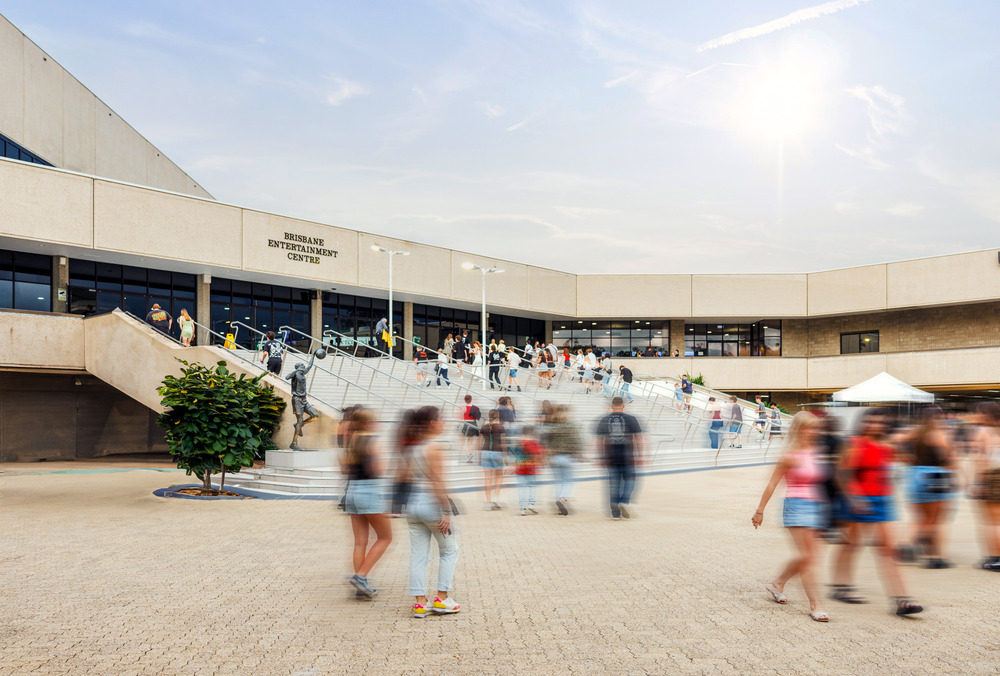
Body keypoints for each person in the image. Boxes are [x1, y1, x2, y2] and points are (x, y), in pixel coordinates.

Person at [829, 408, 923, 616]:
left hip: (883, 500)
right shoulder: (854, 443)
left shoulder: (888, 445)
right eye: (871, 421)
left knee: (889, 550)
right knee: (851, 545)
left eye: (880, 422)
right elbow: (842, 474)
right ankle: (841, 586)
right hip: (858, 499)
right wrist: (855, 497)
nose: (876, 425)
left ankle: (902, 599)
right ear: (863, 422)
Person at [751, 412, 830, 622]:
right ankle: (815, 605)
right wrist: (760, 510)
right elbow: (772, 484)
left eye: (816, 427)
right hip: (796, 506)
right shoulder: (789, 455)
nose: (815, 431)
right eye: (810, 428)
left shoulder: (816, 452)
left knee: (810, 556)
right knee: (808, 557)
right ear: (800, 430)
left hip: (816, 506)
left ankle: (778, 582)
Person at [406, 406, 461, 618]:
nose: (444, 423)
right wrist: (446, 511)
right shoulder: (434, 447)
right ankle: (442, 597)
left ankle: (420, 602)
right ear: (432, 423)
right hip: (431, 505)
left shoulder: (415, 447)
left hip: (413, 504)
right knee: (449, 550)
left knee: (418, 555)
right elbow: (438, 481)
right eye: (441, 419)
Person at [341, 408, 392, 599]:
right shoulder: (374, 440)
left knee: (360, 542)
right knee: (385, 537)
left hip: (352, 491)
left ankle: (360, 587)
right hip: (369, 490)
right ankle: (361, 576)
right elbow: (378, 468)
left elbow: (344, 469)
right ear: (369, 423)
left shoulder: (351, 441)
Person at [898, 406, 957, 568]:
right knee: (936, 520)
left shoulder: (915, 432)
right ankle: (934, 556)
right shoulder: (939, 434)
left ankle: (910, 545)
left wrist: (907, 457)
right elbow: (948, 457)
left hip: (916, 474)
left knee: (923, 519)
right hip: (936, 475)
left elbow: (898, 441)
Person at [595, 397, 644, 520]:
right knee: (630, 480)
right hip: (628, 457)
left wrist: (601, 457)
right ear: (623, 406)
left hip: (611, 457)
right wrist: (640, 455)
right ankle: (624, 501)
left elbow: (599, 441)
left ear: (612, 406)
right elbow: (638, 438)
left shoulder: (604, 419)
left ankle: (615, 513)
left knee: (613, 484)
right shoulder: (631, 419)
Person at [970, 401, 1000, 571]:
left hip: (991, 476)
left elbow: (981, 460)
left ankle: (995, 558)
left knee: (992, 522)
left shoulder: (983, 432)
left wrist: (977, 482)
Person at [542, 405, 582, 515]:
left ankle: (559, 508)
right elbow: (578, 441)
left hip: (555, 458)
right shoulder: (572, 426)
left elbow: (546, 443)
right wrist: (579, 452)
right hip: (568, 457)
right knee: (568, 481)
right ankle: (562, 500)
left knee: (558, 482)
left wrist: (547, 456)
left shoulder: (552, 427)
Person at [480, 409, 506, 510]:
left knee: (487, 479)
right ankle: (496, 497)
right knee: (499, 476)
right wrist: (505, 456)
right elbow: (503, 443)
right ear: (497, 416)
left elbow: (479, 443)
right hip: (497, 452)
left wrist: (479, 456)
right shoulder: (501, 427)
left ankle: (488, 502)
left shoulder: (483, 427)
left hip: (485, 452)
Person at [516, 426, 544, 515]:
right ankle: (531, 504)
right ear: (532, 433)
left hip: (520, 468)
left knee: (522, 487)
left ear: (522, 433)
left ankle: (522, 508)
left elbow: (515, 456)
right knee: (532, 486)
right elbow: (537, 455)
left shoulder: (518, 443)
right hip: (531, 468)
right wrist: (541, 464)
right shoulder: (534, 443)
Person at [460, 395, 481, 463]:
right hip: (474, 424)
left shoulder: (463, 408)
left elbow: (461, 418)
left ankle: (468, 454)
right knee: (470, 443)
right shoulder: (475, 408)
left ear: (464, 400)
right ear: (471, 399)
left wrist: (458, 426)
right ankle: (470, 456)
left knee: (461, 442)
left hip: (467, 424)